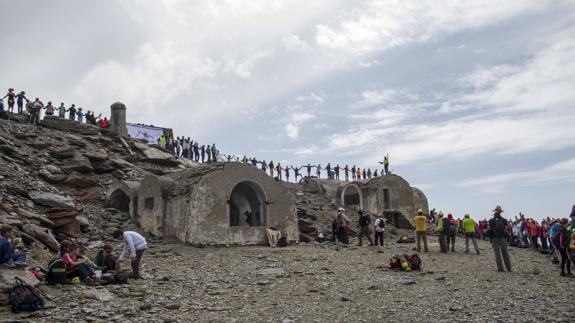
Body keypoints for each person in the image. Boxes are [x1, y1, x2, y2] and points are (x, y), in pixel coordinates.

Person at [487, 205, 512, 272]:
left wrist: (490, 238)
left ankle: (500, 268)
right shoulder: (504, 220)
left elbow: (489, 230)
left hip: (495, 238)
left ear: (494, 212)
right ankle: (509, 267)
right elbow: (507, 229)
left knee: (497, 254)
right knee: (505, 253)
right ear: (500, 212)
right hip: (503, 238)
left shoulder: (491, 220)